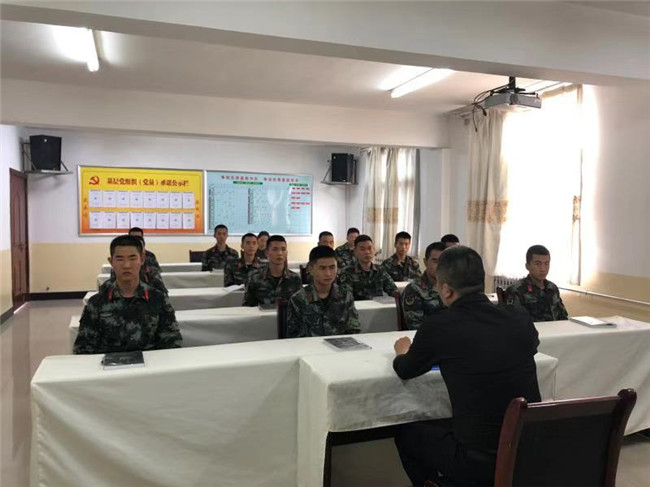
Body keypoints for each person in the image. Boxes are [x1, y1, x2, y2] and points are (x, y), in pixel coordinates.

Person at [392, 246, 541, 486]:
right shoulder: (518, 316)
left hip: (477, 460)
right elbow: (530, 345)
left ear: (446, 290)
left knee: (406, 432)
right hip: (529, 448)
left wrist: (402, 352)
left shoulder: (439, 326)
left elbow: (406, 370)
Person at [74, 235, 182, 354]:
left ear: (142, 259)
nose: (126, 265)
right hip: (108, 363)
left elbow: (171, 341)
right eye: (120, 259)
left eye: (132, 258)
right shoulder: (97, 303)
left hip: (151, 363)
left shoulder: (158, 299)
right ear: (111, 262)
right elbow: (83, 348)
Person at [287, 245, 360, 337]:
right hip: (309, 345)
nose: (328, 273)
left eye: (332, 267)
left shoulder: (345, 296)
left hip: (341, 345)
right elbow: (294, 337)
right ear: (310, 269)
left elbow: (353, 330)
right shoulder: (298, 300)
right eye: (322, 268)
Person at [505, 244, 569, 322]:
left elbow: (563, 317)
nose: (543, 269)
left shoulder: (552, 288)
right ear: (527, 266)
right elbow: (512, 321)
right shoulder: (516, 290)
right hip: (531, 330)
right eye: (537, 264)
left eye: (546, 263)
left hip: (556, 329)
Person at [243, 235, 302, 306]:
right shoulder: (255, 278)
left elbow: (301, 307)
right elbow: (247, 307)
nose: (280, 253)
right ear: (267, 253)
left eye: (283, 249)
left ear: (286, 252)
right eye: (275, 249)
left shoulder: (295, 279)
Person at [402, 242, 446, 329]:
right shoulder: (414, 289)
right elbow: (415, 326)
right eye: (435, 261)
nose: (440, 266)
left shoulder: (452, 287)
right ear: (425, 262)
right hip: (428, 335)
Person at [338, 235, 397, 300]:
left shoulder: (380, 270)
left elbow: (393, 290)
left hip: (377, 306)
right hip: (357, 306)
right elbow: (345, 298)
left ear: (374, 250)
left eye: (369, 248)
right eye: (362, 249)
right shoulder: (348, 272)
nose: (367, 252)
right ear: (355, 252)